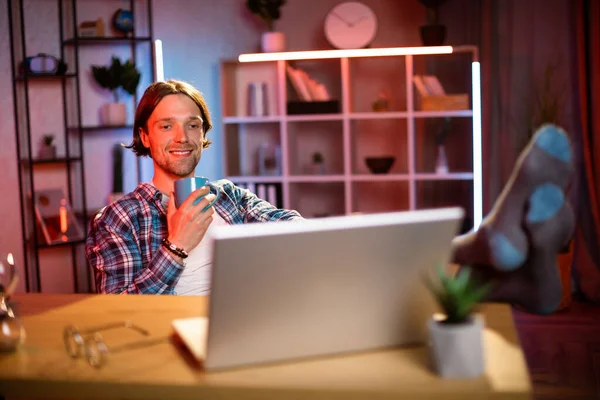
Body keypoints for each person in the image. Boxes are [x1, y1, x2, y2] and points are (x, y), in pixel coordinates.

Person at [87, 79, 575, 315]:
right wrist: (175, 248)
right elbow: (118, 313)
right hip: (209, 327)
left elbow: (290, 224)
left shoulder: (227, 196)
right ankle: (491, 256)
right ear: (145, 137)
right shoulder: (119, 217)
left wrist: (326, 233)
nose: (183, 136)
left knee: (367, 258)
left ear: (204, 134)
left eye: (193, 124)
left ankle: (493, 259)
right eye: (167, 124)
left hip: (280, 301)